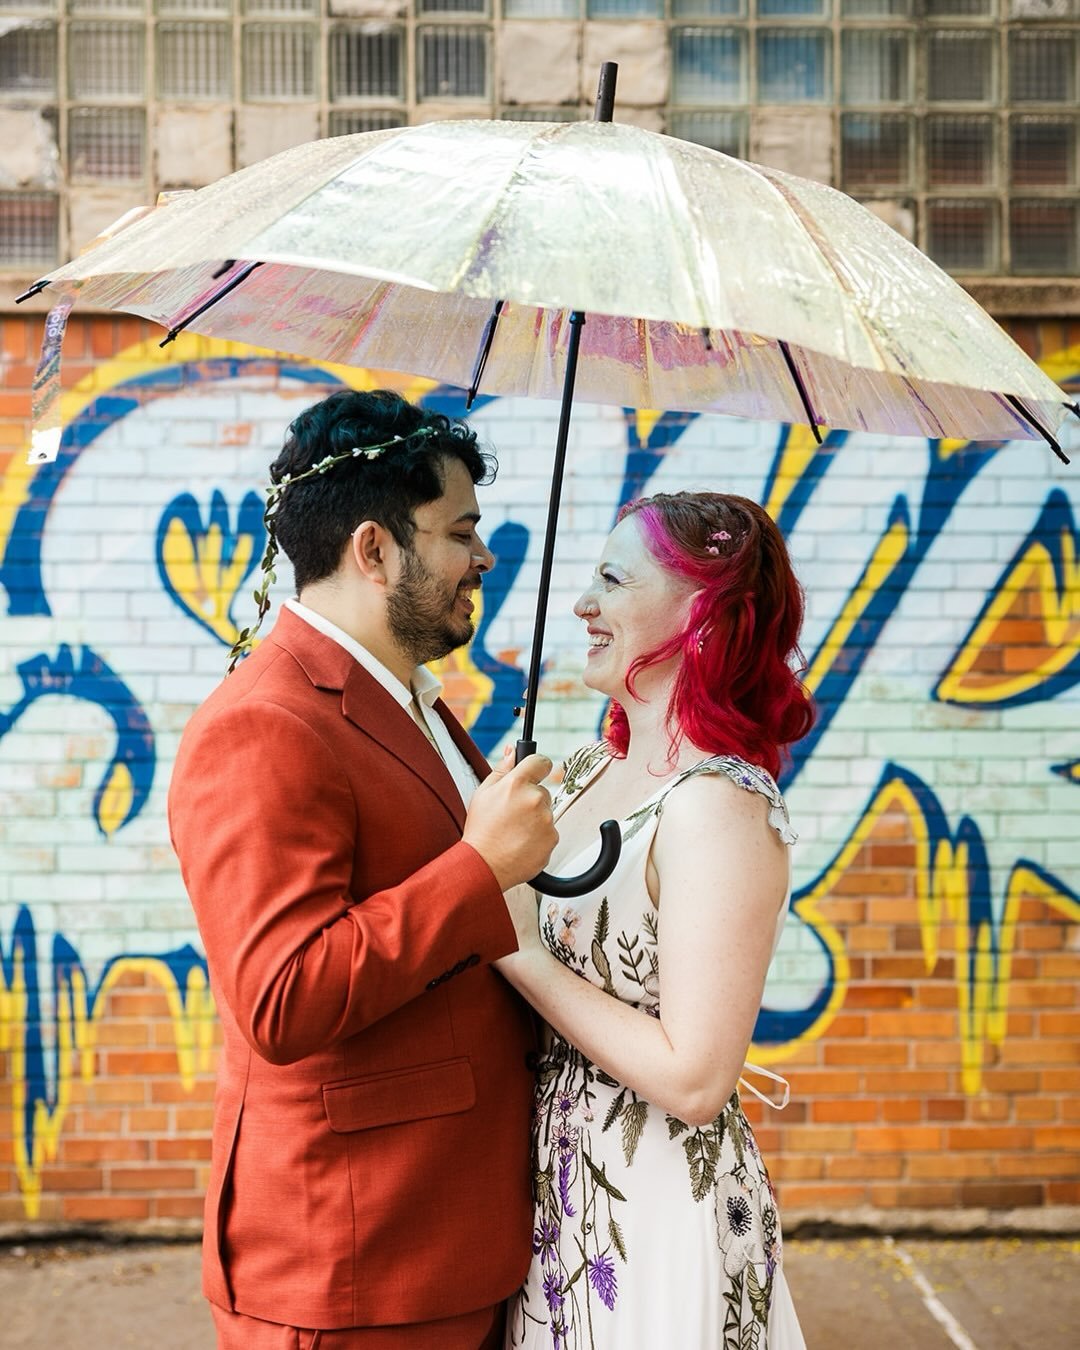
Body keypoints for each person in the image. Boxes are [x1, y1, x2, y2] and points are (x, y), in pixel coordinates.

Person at [168, 389, 558, 1349]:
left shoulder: (413, 699)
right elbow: (283, 998)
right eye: (460, 531)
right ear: (375, 549)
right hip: (353, 1267)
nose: (483, 556)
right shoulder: (264, 724)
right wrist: (478, 867)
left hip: (447, 1234)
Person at [497, 491, 813, 1350]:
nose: (581, 604)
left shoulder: (717, 807)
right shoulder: (582, 772)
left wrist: (521, 951)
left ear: (700, 615)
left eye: (612, 580)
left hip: (654, 1210)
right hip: (557, 1195)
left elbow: (697, 1079)